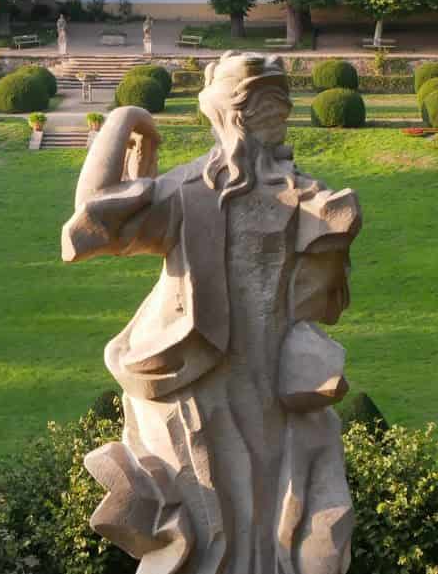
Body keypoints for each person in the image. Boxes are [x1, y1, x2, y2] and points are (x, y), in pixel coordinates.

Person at [62, 51, 360, 574]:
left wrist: (126, 120)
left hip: (218, 391)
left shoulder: (196, 192)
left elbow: (91, 220)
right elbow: (91, 227)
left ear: (217, 112)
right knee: (249, 529)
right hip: (245, 391)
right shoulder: (310, 199)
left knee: (233, 532)